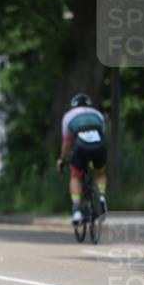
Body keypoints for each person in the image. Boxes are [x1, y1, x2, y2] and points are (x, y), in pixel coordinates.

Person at [57, 93, 108, 225]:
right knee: (99, 172)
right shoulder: (98, 114)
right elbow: (101, 133)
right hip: (99, 145)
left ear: (73, 105)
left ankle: (76, 211)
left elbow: (67, 141)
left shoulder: (68, 116)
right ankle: (102, 197)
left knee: (75, 176)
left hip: (81, 146)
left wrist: (62, 159)